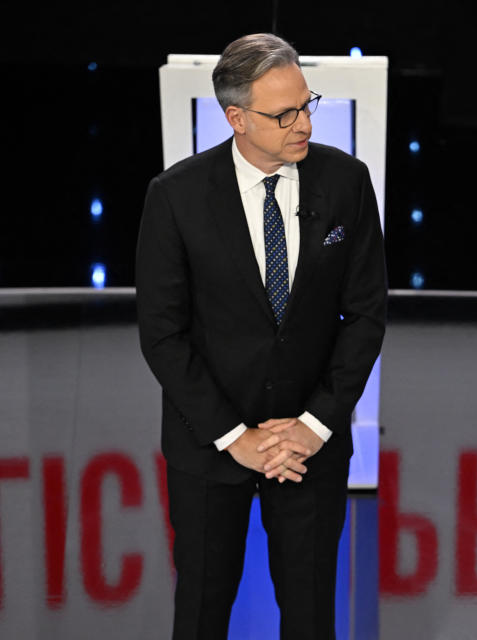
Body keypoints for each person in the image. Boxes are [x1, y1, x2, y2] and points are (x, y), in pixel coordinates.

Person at [136, 33, 386, 639]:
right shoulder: (176, 196)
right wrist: (234, 437)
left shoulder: (346, 181)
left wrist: (313, 425)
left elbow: (367, 315)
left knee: (310, 618)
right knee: (200, 612)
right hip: (209, 447)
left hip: (310, 451)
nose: (302, 123)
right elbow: (163, 335)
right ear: (236, 118)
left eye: (307, 104)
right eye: (283, 114)